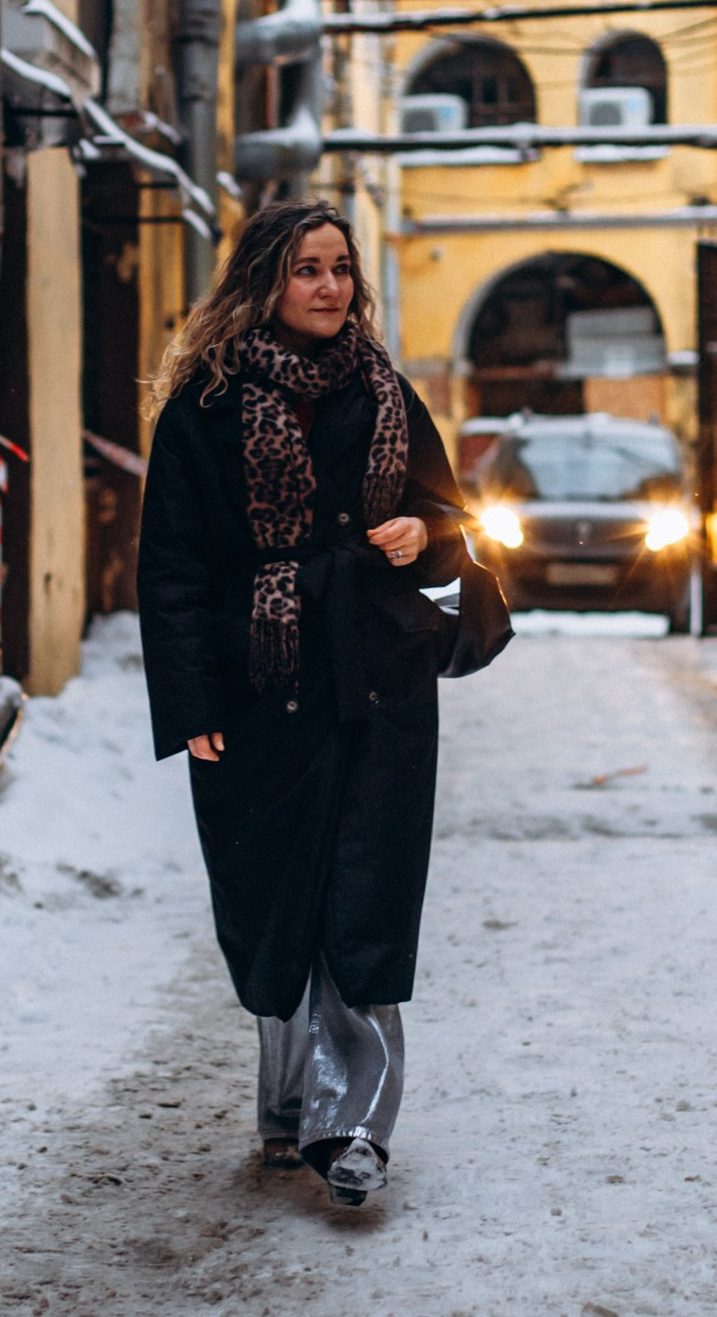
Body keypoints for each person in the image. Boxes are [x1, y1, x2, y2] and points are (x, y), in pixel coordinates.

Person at [137, 199, 466, 1209]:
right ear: (264, 283)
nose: (329, 286)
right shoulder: (207, 405)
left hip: (377, 678)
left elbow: (455, 520)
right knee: (277, 899)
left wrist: (419, 528)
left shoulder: (386, 391)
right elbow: (174, 566)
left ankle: (354, 1123)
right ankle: (290, 1108)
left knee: (362, 896)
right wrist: (190, 699)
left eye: (339, 267)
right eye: (305, 269)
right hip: (257, 685)